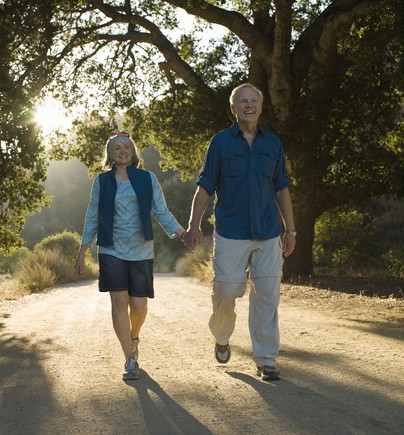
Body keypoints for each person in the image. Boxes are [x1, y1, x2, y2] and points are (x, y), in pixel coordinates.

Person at [183, 83, 296, 381]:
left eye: (254, 101)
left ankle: (266, 359)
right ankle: (222, 335)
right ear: (232, 109)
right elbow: (206, 186)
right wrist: (194, 225)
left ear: (261, 106)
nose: (249, 106)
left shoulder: (273, 144)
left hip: (268, 231)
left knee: (268, 295)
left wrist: (290, 230)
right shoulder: (220, 143)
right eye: (242, 102)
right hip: (231, 231)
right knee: (226, 289)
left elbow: (281, 187)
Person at [74, 132, 186, 381]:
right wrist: (81, 252)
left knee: (138, 305)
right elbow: (92, 216)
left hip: (141, 248)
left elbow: (161, 211)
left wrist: (181, 233)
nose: (122, 150)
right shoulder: (101, 182)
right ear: (110, 154)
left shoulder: (147, 178)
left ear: (133, 152)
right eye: (117, 147)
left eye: (126, 147)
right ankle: (130, 358)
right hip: (111, 248)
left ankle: (134, 336)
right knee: (118, 300)